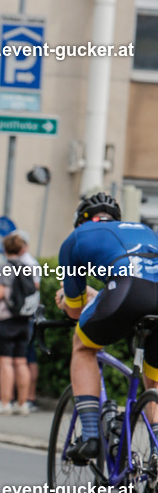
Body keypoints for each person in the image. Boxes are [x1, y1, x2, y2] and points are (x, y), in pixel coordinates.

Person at [55, 191, 158, 463]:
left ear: (81, 221)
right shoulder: (143, 229)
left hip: (127, 289)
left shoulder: (76, 238)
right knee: (155, 380)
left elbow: (76, 310)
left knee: (84, 348)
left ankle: (89, 436)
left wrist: (65, 303)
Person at [0, 230, 36, 415]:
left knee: (5, 362)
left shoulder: (4, 267)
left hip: (5, 319)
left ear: (5, 248)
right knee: (21, 361)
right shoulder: (27, 267)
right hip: (23, 319)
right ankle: (22, 404)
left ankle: (4, 402)